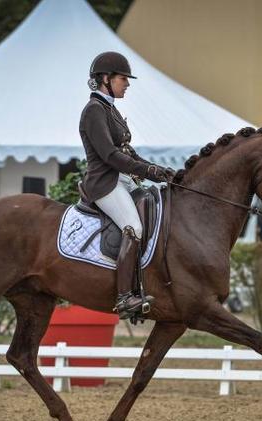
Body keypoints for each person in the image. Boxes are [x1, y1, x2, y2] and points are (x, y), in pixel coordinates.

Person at [79, 51, 175, 318]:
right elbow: (110, 155)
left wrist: (160, 171)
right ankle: (124, 297)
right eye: (123, 78)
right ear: (105, 79)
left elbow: (127, 151)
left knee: (157, 208)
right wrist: (148, 170)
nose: (127, 84)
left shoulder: (110, 109)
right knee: (133, 227)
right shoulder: (93, 111)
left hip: (121, 180)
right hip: (104, 184)